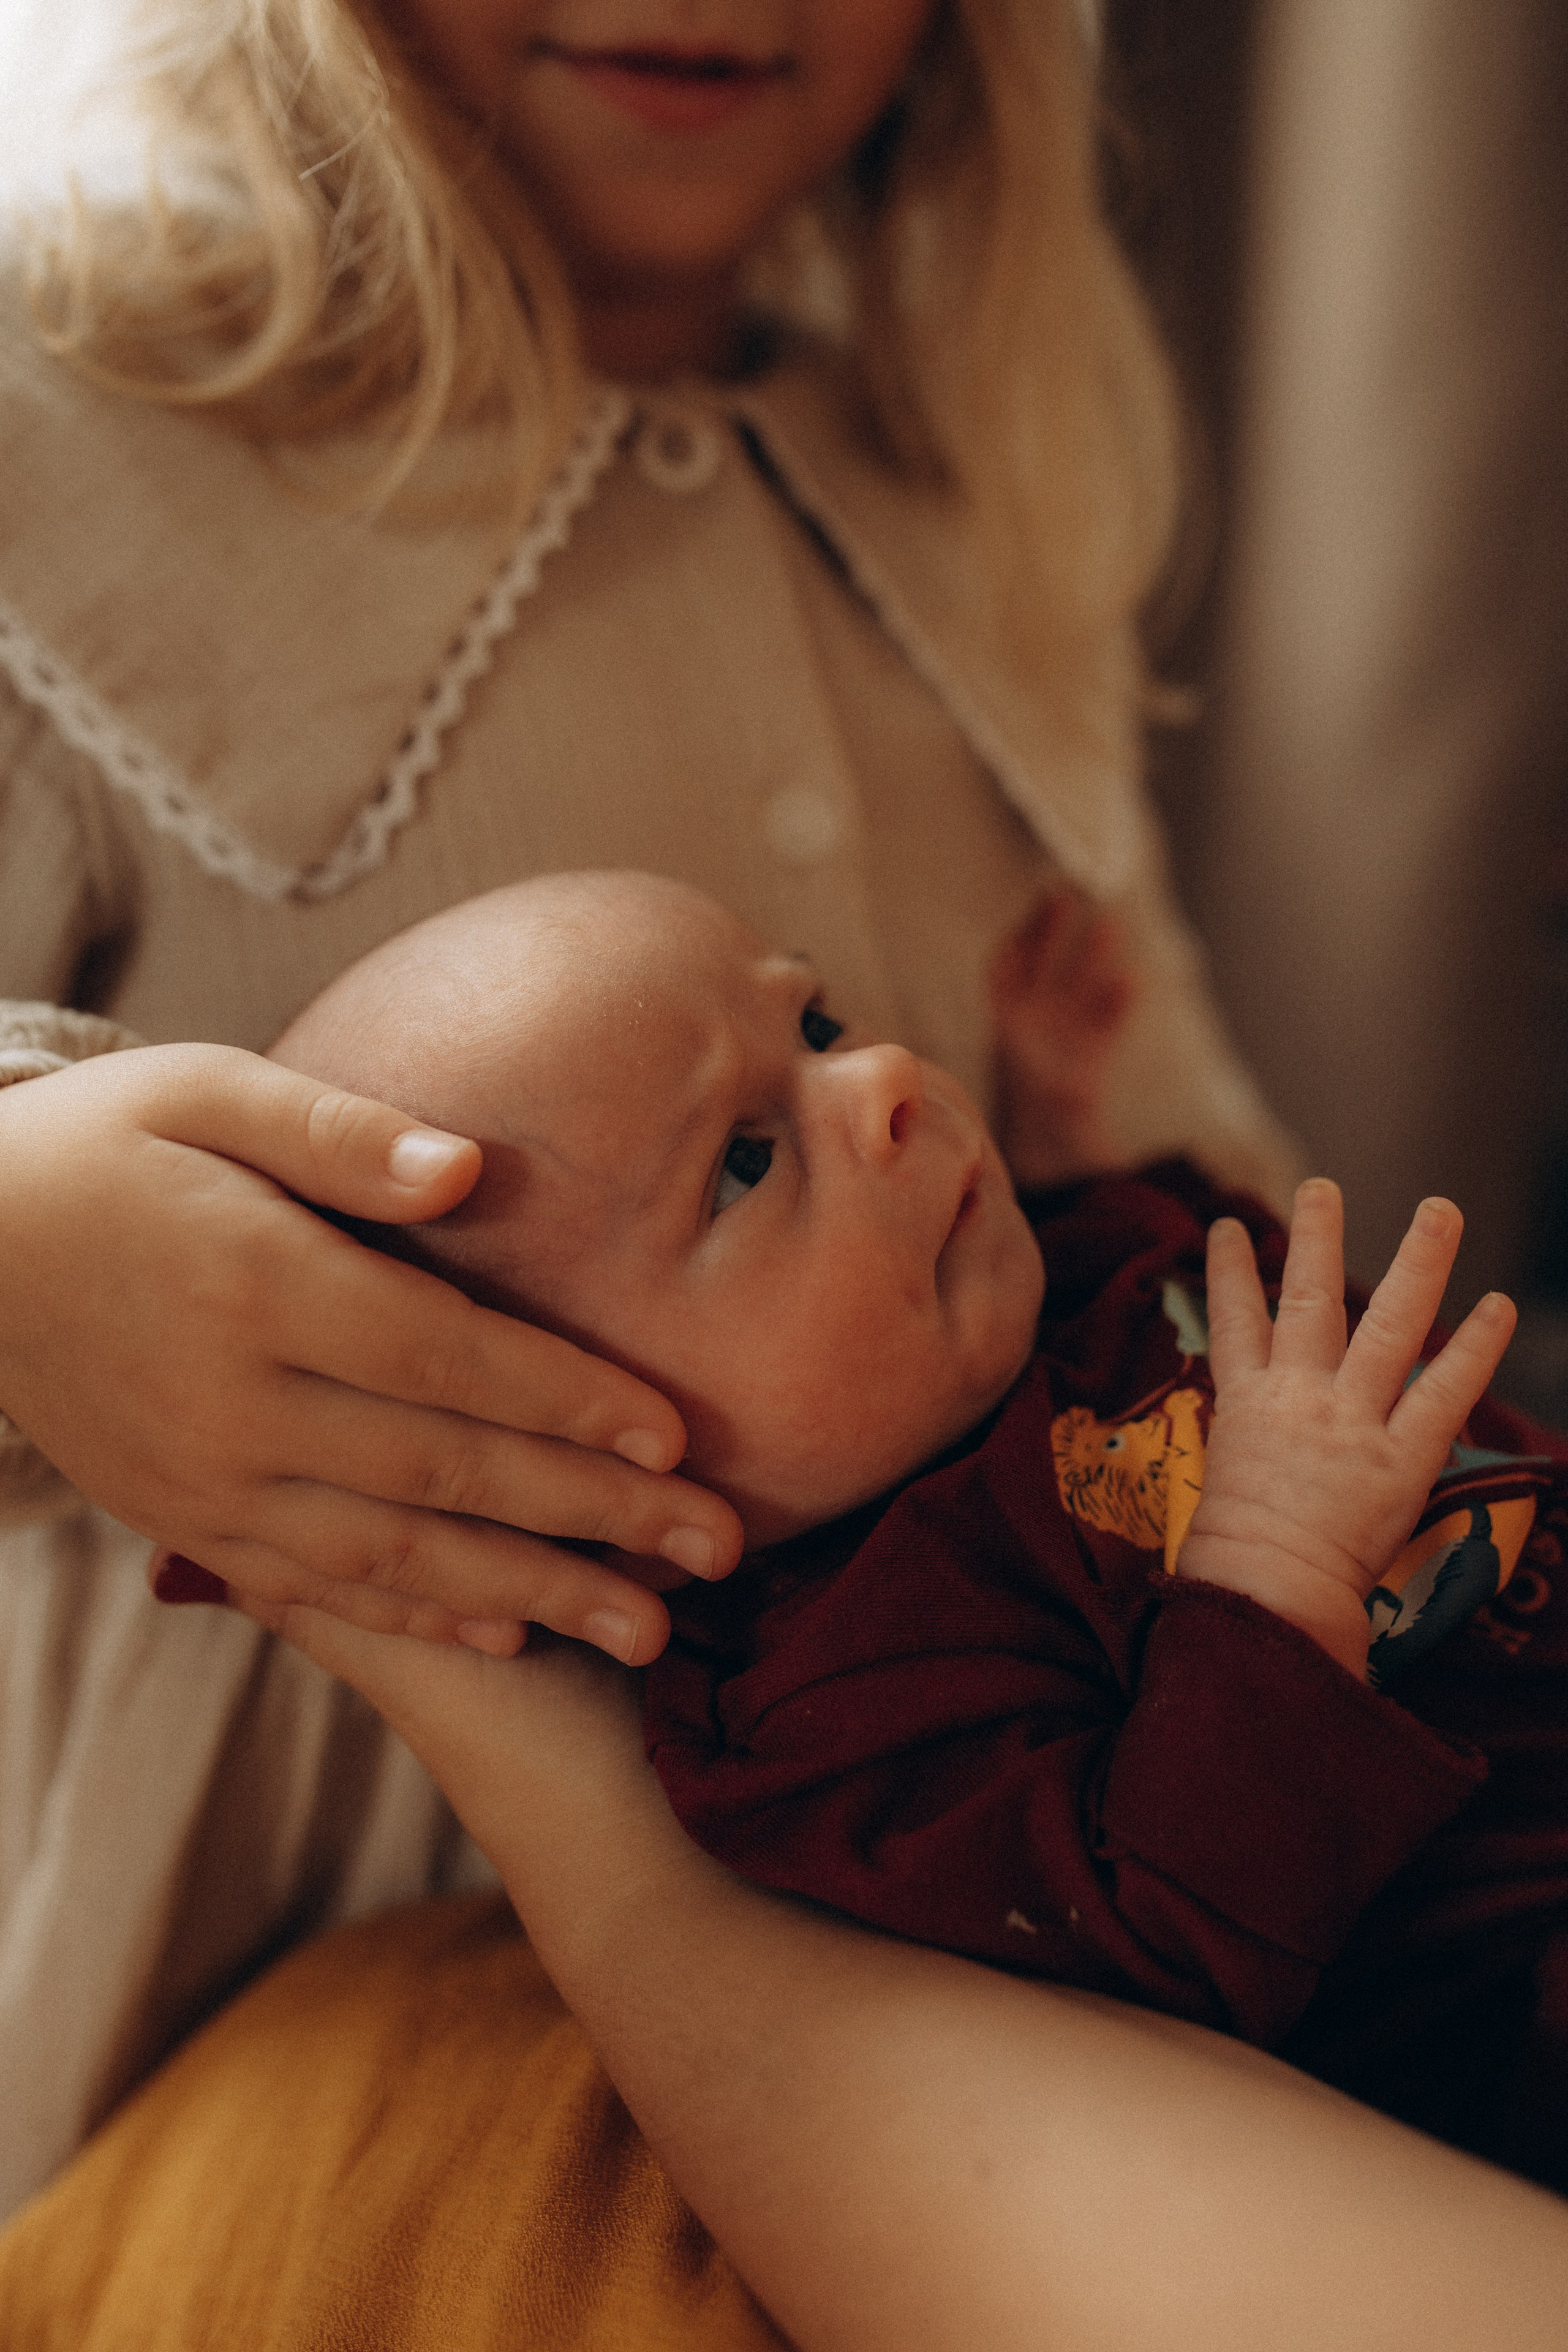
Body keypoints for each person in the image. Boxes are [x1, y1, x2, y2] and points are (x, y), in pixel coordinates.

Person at [0, 0, 1322, 2300]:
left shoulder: (950, 485)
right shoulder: (64, 442)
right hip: (298, 1988)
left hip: (1042, 1894)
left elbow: (1179, 1167)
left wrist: (1089, 1115)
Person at [229, 869, 1567, 2199]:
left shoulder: (1012, 1290)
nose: (883, 1080)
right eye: (744, 1162)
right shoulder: (848, 1690)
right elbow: (1143, 1979)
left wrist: (1056, 1135)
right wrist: (1277, 1570)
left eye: (817, 1025)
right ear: (567, 1471)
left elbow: (1146, 1312)